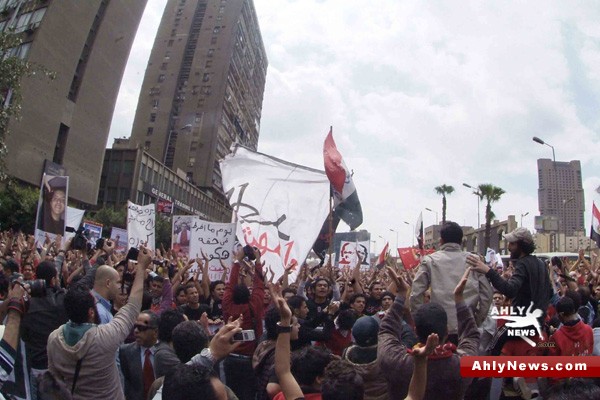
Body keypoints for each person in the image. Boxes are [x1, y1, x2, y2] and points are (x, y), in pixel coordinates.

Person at [47, 246, 152, 400]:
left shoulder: (54, 339)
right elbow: (133, 306)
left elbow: (55, 380)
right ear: (91, 312)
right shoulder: (104, 337)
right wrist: (141, 267)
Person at [379, 268, 479, 400]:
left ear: (415, 330)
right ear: (447, 332)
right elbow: (471, 335)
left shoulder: (397, 362)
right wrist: (459, 299)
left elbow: (386, 331)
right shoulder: (462, 365)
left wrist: (401, 296)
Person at [467, 227, 553, 356]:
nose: (509, 247)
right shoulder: (540, 264)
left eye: (512, 244)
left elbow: (510, 290)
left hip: (522, 325)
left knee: (491, 349)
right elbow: (550, 293)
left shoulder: (523, 264)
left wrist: (488, 270)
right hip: (538, 324)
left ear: (522, 245)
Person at [411, 221, 492, 342]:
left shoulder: (430, 260)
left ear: (441, 241)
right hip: (467, 328)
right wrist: (476, 320)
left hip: (438, 329)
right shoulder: (474, 260)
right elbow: (487, 295)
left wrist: (422, 323)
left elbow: (415, 294)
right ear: (461, 241)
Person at [222, 247, 265, 400]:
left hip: (230, 359)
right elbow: (260, 286)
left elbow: (229, 285)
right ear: (249, 295)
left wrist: (237, 261)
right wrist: (258, 261)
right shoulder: (254, 306)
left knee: (231, 394)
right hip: (249, 361)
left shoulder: (227, 306)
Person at [20, 261, 68, 394]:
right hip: (56, 368)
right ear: (53, 280)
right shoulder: (61, 302)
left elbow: (24, 335)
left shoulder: (27, 304)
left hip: (34, 367)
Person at [119, 311, 160, 400]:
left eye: (141, 328)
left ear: (155, 332)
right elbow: (127, 381)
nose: (136, 331)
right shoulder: (126, 352)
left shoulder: (165, 352)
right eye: (135, 327)